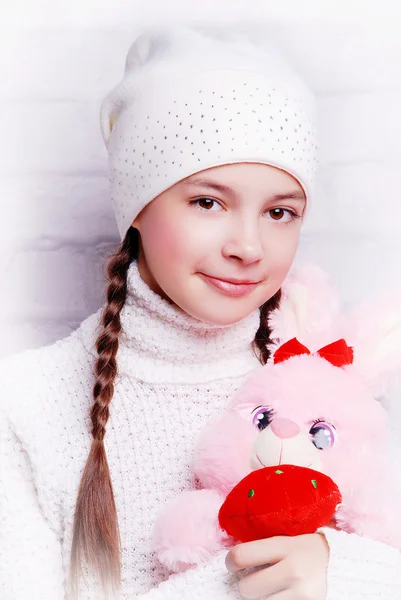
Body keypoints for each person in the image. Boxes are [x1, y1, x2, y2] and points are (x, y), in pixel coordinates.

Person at [0, 23, 400, 600]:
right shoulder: (26, 406)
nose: (248, 246)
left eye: (280, 212)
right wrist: (237, 581)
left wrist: (346, 568)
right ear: (136, 206)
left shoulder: (323, 390)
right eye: (208, 202)